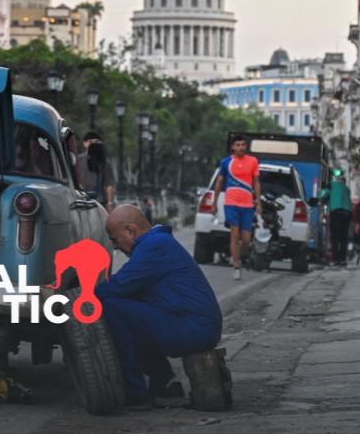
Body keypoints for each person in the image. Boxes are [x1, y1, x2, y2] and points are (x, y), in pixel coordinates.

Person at [98, 205, 222, 409]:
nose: (114, 246)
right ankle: (165, 383)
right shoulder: (158, 243)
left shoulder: (154, 246)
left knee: (112, 307)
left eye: (114, 239)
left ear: (130, 231)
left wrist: (74, 298)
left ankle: (135, 394)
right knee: (131, 312)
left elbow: (117, 286)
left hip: (193, 329)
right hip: (194, 325)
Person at [211, 134, 260, 281]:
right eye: (237, 145)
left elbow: (256, 182)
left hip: (247, 205)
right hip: (231, 203)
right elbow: (219, 182)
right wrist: (214, 202)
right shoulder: (226, 162)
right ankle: (236, 266)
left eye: (243, 145)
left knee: (246, 238)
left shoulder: (253, 161)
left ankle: (236, 254)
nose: (241, 147)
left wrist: (259, 201)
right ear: (233, 147)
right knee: (235, 234)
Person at [320, 171, 352, 266]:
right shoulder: (347, 189)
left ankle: (335, 259)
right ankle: (343, 259)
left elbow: (323, 195)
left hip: (336, 212)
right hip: (347, 214)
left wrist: (323, 191)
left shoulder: (331, 185)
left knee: (334, 237)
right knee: (343, 238)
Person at [78, 131, 115, 212]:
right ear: (85, 143)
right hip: (81, 200)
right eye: (90, 142)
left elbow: (109, 184)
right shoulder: (78, 160)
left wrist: (110, 203)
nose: (93, 144)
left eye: (96, 142)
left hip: (99, 201)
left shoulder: (105, 162)